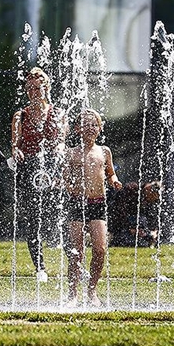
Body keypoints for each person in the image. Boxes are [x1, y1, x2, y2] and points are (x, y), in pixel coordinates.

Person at [10, 67, 67, 282]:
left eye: (39, 87)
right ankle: (40, 267)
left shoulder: (58, 113)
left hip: (52, 169)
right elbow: (15, 144)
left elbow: (61, 141)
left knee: (57, 216)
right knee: (32, 220)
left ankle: (71, 262)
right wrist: (16, 151)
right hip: (29, 171)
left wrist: (59, 151)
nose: (35, 92)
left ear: (47, 88)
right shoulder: (20, 116)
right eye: (31, 88)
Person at [62, 109, 121, 307]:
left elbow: (110, 172)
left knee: (100, 249)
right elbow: (64, 176)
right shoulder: (71, 152)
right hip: (77, 203)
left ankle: (92, 290)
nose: (90, 128)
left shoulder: (104, 151)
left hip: (98, 203)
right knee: (76, 251)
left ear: (100, 128)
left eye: (94, 124)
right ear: (77, 129)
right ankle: (72, 294)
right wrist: (66, 185)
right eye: (85, 124)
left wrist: (114, 180)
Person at [107, 181, 161, 247]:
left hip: (135, 228)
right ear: (148, 188)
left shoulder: (146, 199)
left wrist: (154, 230)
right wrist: (131, 229)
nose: (152, 200)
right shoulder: (131, 189)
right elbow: (117, 213)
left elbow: (152, 217)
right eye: (153, 196)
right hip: (120, 227)